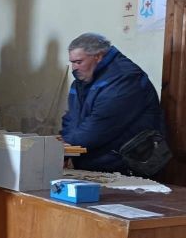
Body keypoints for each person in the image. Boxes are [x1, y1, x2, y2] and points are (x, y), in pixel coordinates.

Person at [61, 33, 165, 173]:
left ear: (98, 56)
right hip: (94, 163)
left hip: (125, 165)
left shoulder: (125, 78)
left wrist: (64, 147)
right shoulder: (82, 81)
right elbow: (72, 118)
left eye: (79, 62)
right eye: (72, 62)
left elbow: (100, 125)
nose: (74, 68)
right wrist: (63, 147)